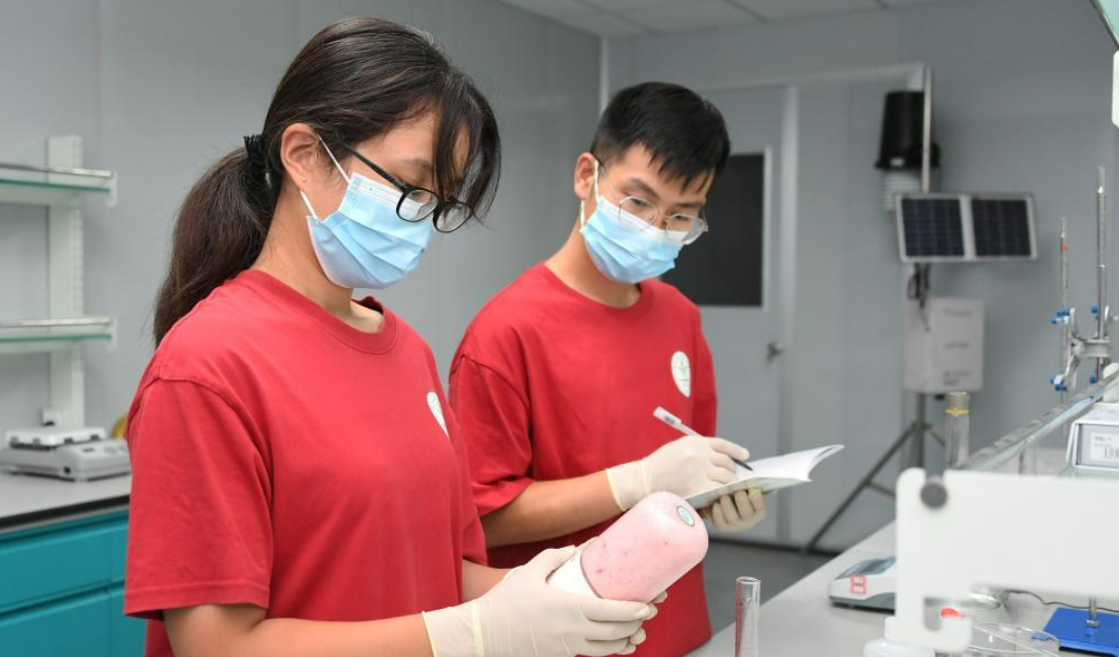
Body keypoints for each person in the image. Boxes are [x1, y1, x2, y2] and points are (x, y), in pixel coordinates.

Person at [124, 18, 660, 657]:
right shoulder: (208, 366)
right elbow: (218, 646)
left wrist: (556, 594)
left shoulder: (409, 352)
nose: (421, 222)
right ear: (304, 155)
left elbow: (441, 571)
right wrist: (470, 635)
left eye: (438, 202)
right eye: (409, 186)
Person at [449, 82, 767, 657]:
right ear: (586, 176)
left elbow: (689, 470)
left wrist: (719, 495)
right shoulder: (506, 333)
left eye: (681, 216)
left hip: (678, 631)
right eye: (638, 202)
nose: (655, 228)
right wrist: (635, 482)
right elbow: (483, 519)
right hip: (572, 638)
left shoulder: (681, 319)